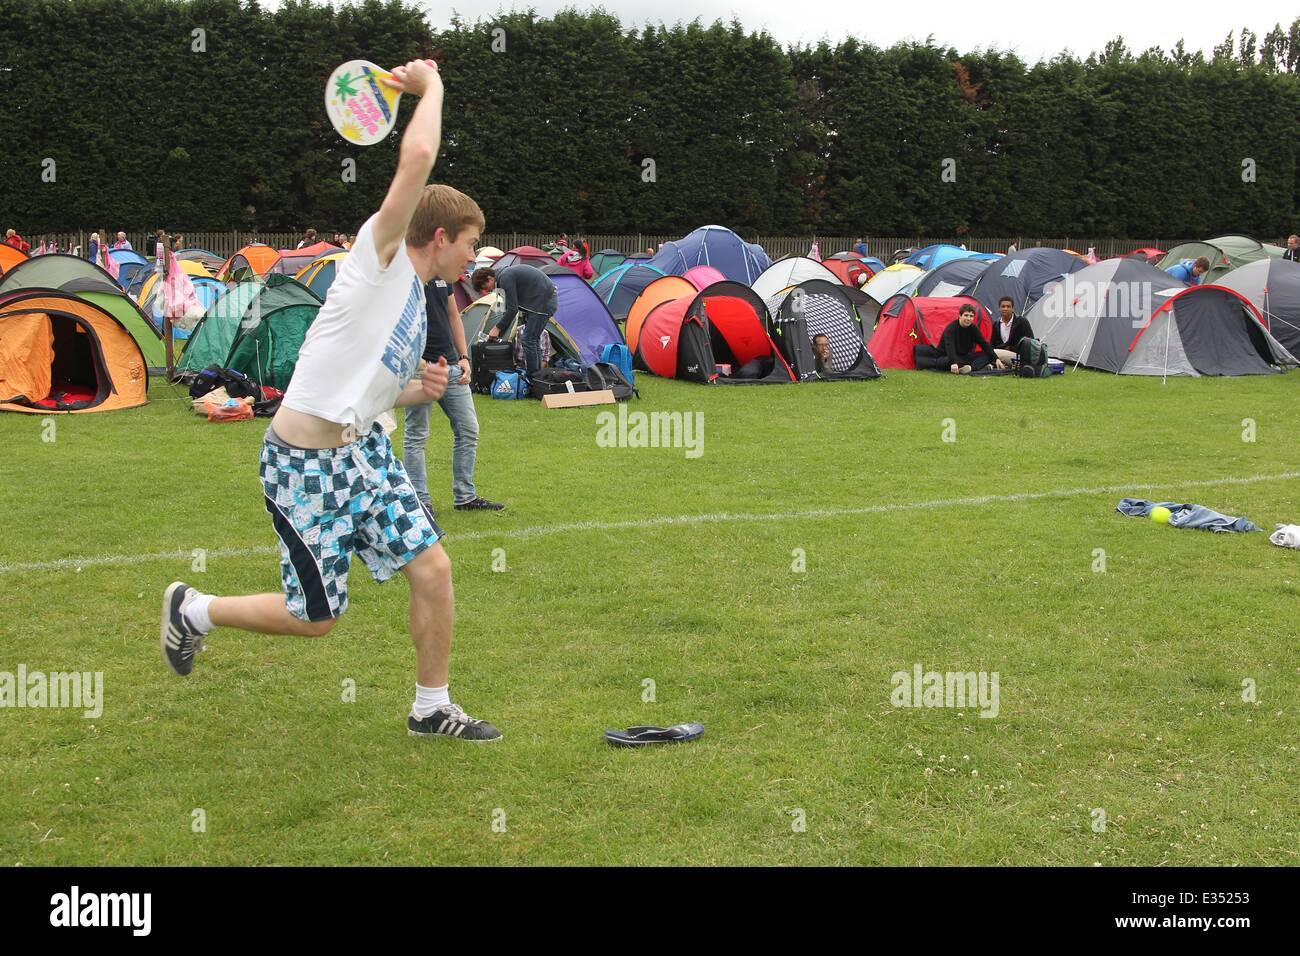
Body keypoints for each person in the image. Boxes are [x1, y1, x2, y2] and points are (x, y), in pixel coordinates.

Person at [158, 58, 503, 742]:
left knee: (433, 568)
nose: (472, 261)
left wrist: (417, 389)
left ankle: (431, 708)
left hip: (363, 450)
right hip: (304, 464)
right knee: (316, 619)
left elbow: (359, 389)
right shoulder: (379, 259)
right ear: (440, 237)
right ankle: (194, 609)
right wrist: (429, 87)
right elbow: (421, 155)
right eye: (468, 247)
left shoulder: (416, 295)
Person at [403, 273, 504, 514]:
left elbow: (453, 316)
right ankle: (420, 501)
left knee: (468, 429)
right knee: (416, 434)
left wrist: (463, 356)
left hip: (452, 366)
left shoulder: (443, 275)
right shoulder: (406, 274)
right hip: (421, 368)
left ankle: (465, 496)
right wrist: (417, 363)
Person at [474, 264, 558, 378]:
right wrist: (499, 332)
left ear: (490, 278)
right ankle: (537, 377)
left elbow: (512, 309)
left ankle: (533, 378)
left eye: (484, 286)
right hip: (543, 302)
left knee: (528, 340)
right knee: (532, 340)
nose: (487, 290)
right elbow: (508, 309)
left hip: (543, 303)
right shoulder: (503, 276)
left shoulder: (505, 277)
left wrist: (497, 328)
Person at [914, 303, 1004, 373]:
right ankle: (977, 366)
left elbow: (984, 343)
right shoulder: (951, 328)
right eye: (966, 315)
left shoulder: (973, 328)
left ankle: (970, 368)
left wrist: (996, 358)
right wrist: (953, 363)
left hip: (964, 357)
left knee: (988, 355)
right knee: (948, 361)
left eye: (971, 316)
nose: (968, 318)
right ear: (959, 316)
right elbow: (950, 347)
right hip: (947, 357)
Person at [989, 296, 1034, 365]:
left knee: (994, 353)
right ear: (999, 309)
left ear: (1013, 309)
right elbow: (992, 343)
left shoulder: (1022, 321)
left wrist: (1011, 348)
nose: (1005, 309)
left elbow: (1030, 341)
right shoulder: (996, 324)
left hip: (1019, 356)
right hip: (1001, 353)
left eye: (1008, 306)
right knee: (988, 352)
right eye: (1003, 306)